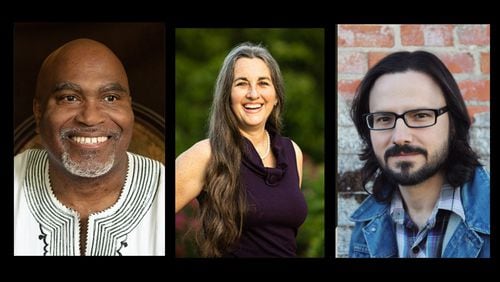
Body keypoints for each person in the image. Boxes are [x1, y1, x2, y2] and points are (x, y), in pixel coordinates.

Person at [14, 38, 165, 256]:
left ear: (129, 108)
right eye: (70, 98)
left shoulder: (167, 191)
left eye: (110, 98)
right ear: (39, 113)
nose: (90, 118)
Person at [347, 50, 490, 258]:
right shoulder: (365, 228)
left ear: (453, 124)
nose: (400, 137)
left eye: (421, 116)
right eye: (384, 119)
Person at [175, 42, 307, 257]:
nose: (253, 94)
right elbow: (149, 215)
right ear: (227, 95)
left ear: (276, 96)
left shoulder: (292, 152)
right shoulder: (206, 154)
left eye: (263, 83)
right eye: (242, 84)